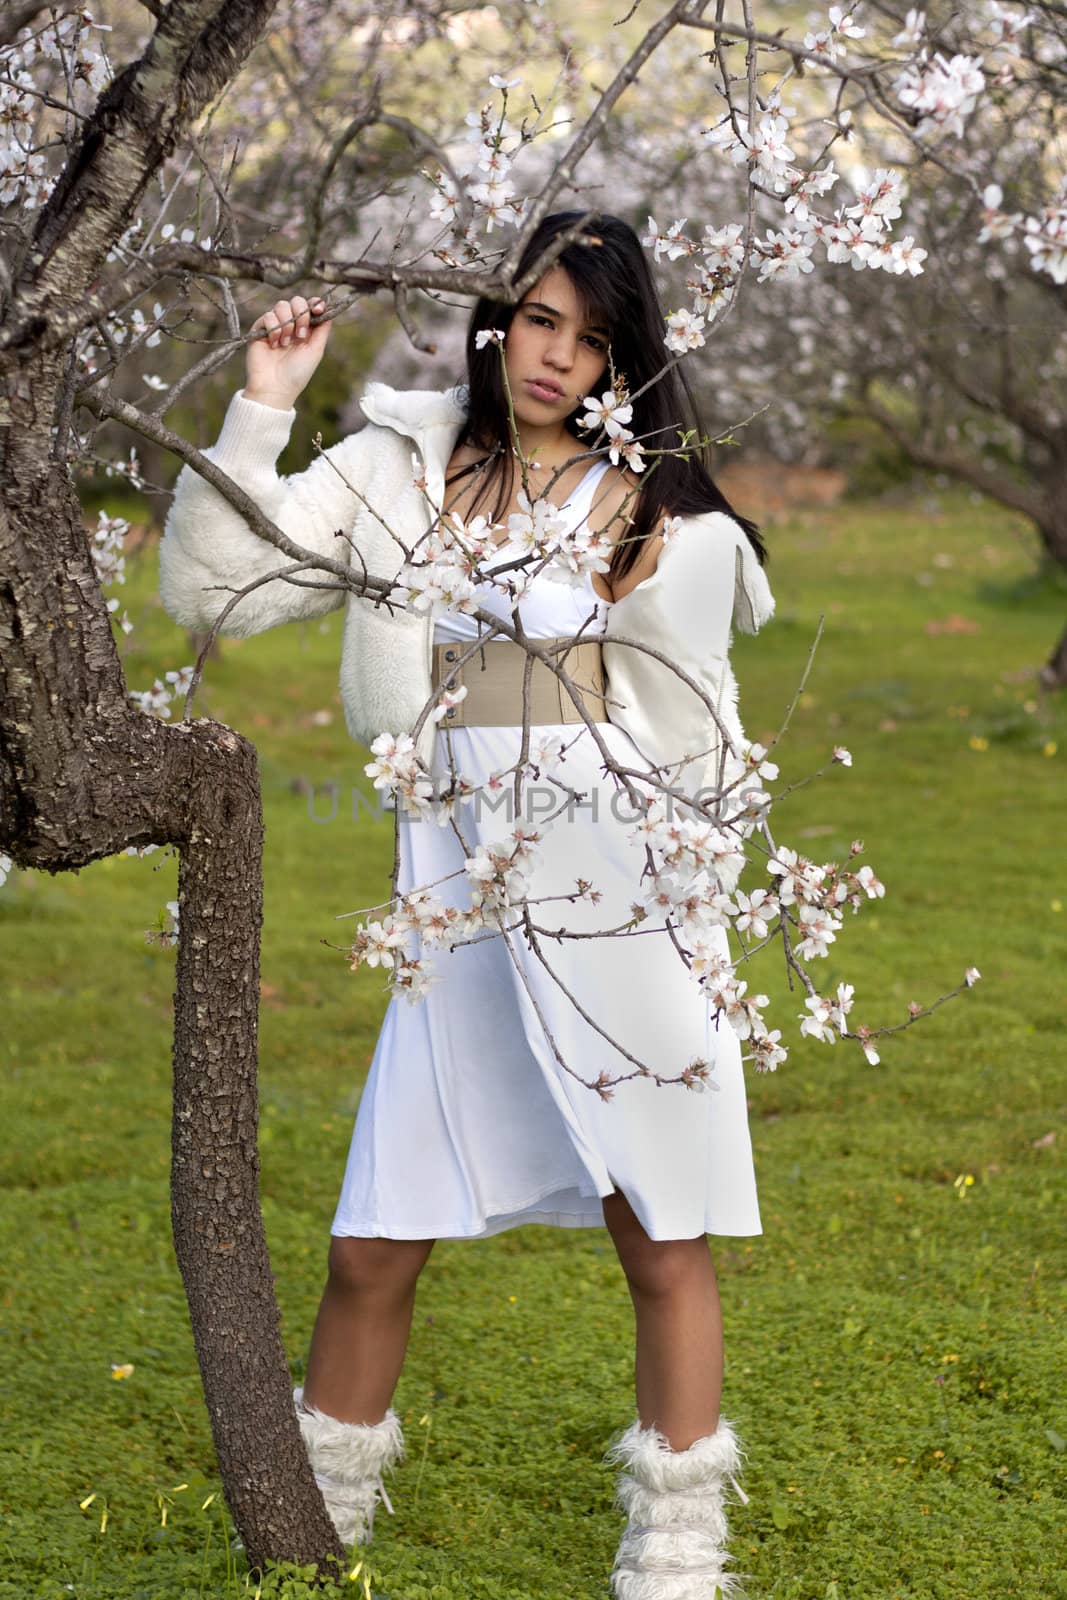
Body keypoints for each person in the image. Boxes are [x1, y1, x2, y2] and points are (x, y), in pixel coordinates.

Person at [159, 210, 775, 1600]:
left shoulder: (652, 500)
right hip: (456, 899)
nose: (556, 358)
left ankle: (677, 1550)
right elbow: (213, 584)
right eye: (541, 321)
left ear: (625, 355)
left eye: (593, 337)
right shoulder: (400, 466)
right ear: (503, 318)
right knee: (375, 1239)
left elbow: (702, 731)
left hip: (620, 893)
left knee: (661, 1227)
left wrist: (700, 908)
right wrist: (263, 405)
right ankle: (314, 1532)